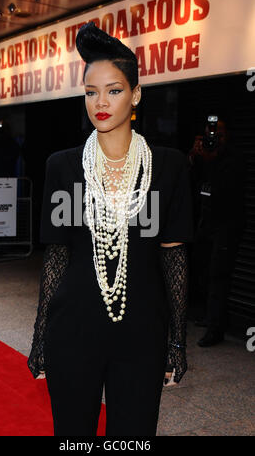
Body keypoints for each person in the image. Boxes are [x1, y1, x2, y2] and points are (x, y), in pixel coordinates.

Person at [28, 22, 194, 436]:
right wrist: (41, 335)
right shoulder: (62, 166)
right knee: (74, 439)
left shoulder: (170, 165)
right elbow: (57, 256)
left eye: (114, 90)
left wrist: (176, 339)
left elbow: (173, 255)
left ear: (136, 94)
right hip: (73, 329)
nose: (100, 102)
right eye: (91, 92)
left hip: (142, 332)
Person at [188, 119, 246, 347]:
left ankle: (216, 329)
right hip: (206, 223)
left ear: (227, 136)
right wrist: (194, 158)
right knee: (201, 270)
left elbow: (226, 190)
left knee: (218, 275)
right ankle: (210, 316)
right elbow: (194, 183)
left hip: (227, 225)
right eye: (209, 135)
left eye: (218, 135)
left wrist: (210, 160)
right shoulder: (205, 157)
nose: (213, 140)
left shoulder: (234, 159)